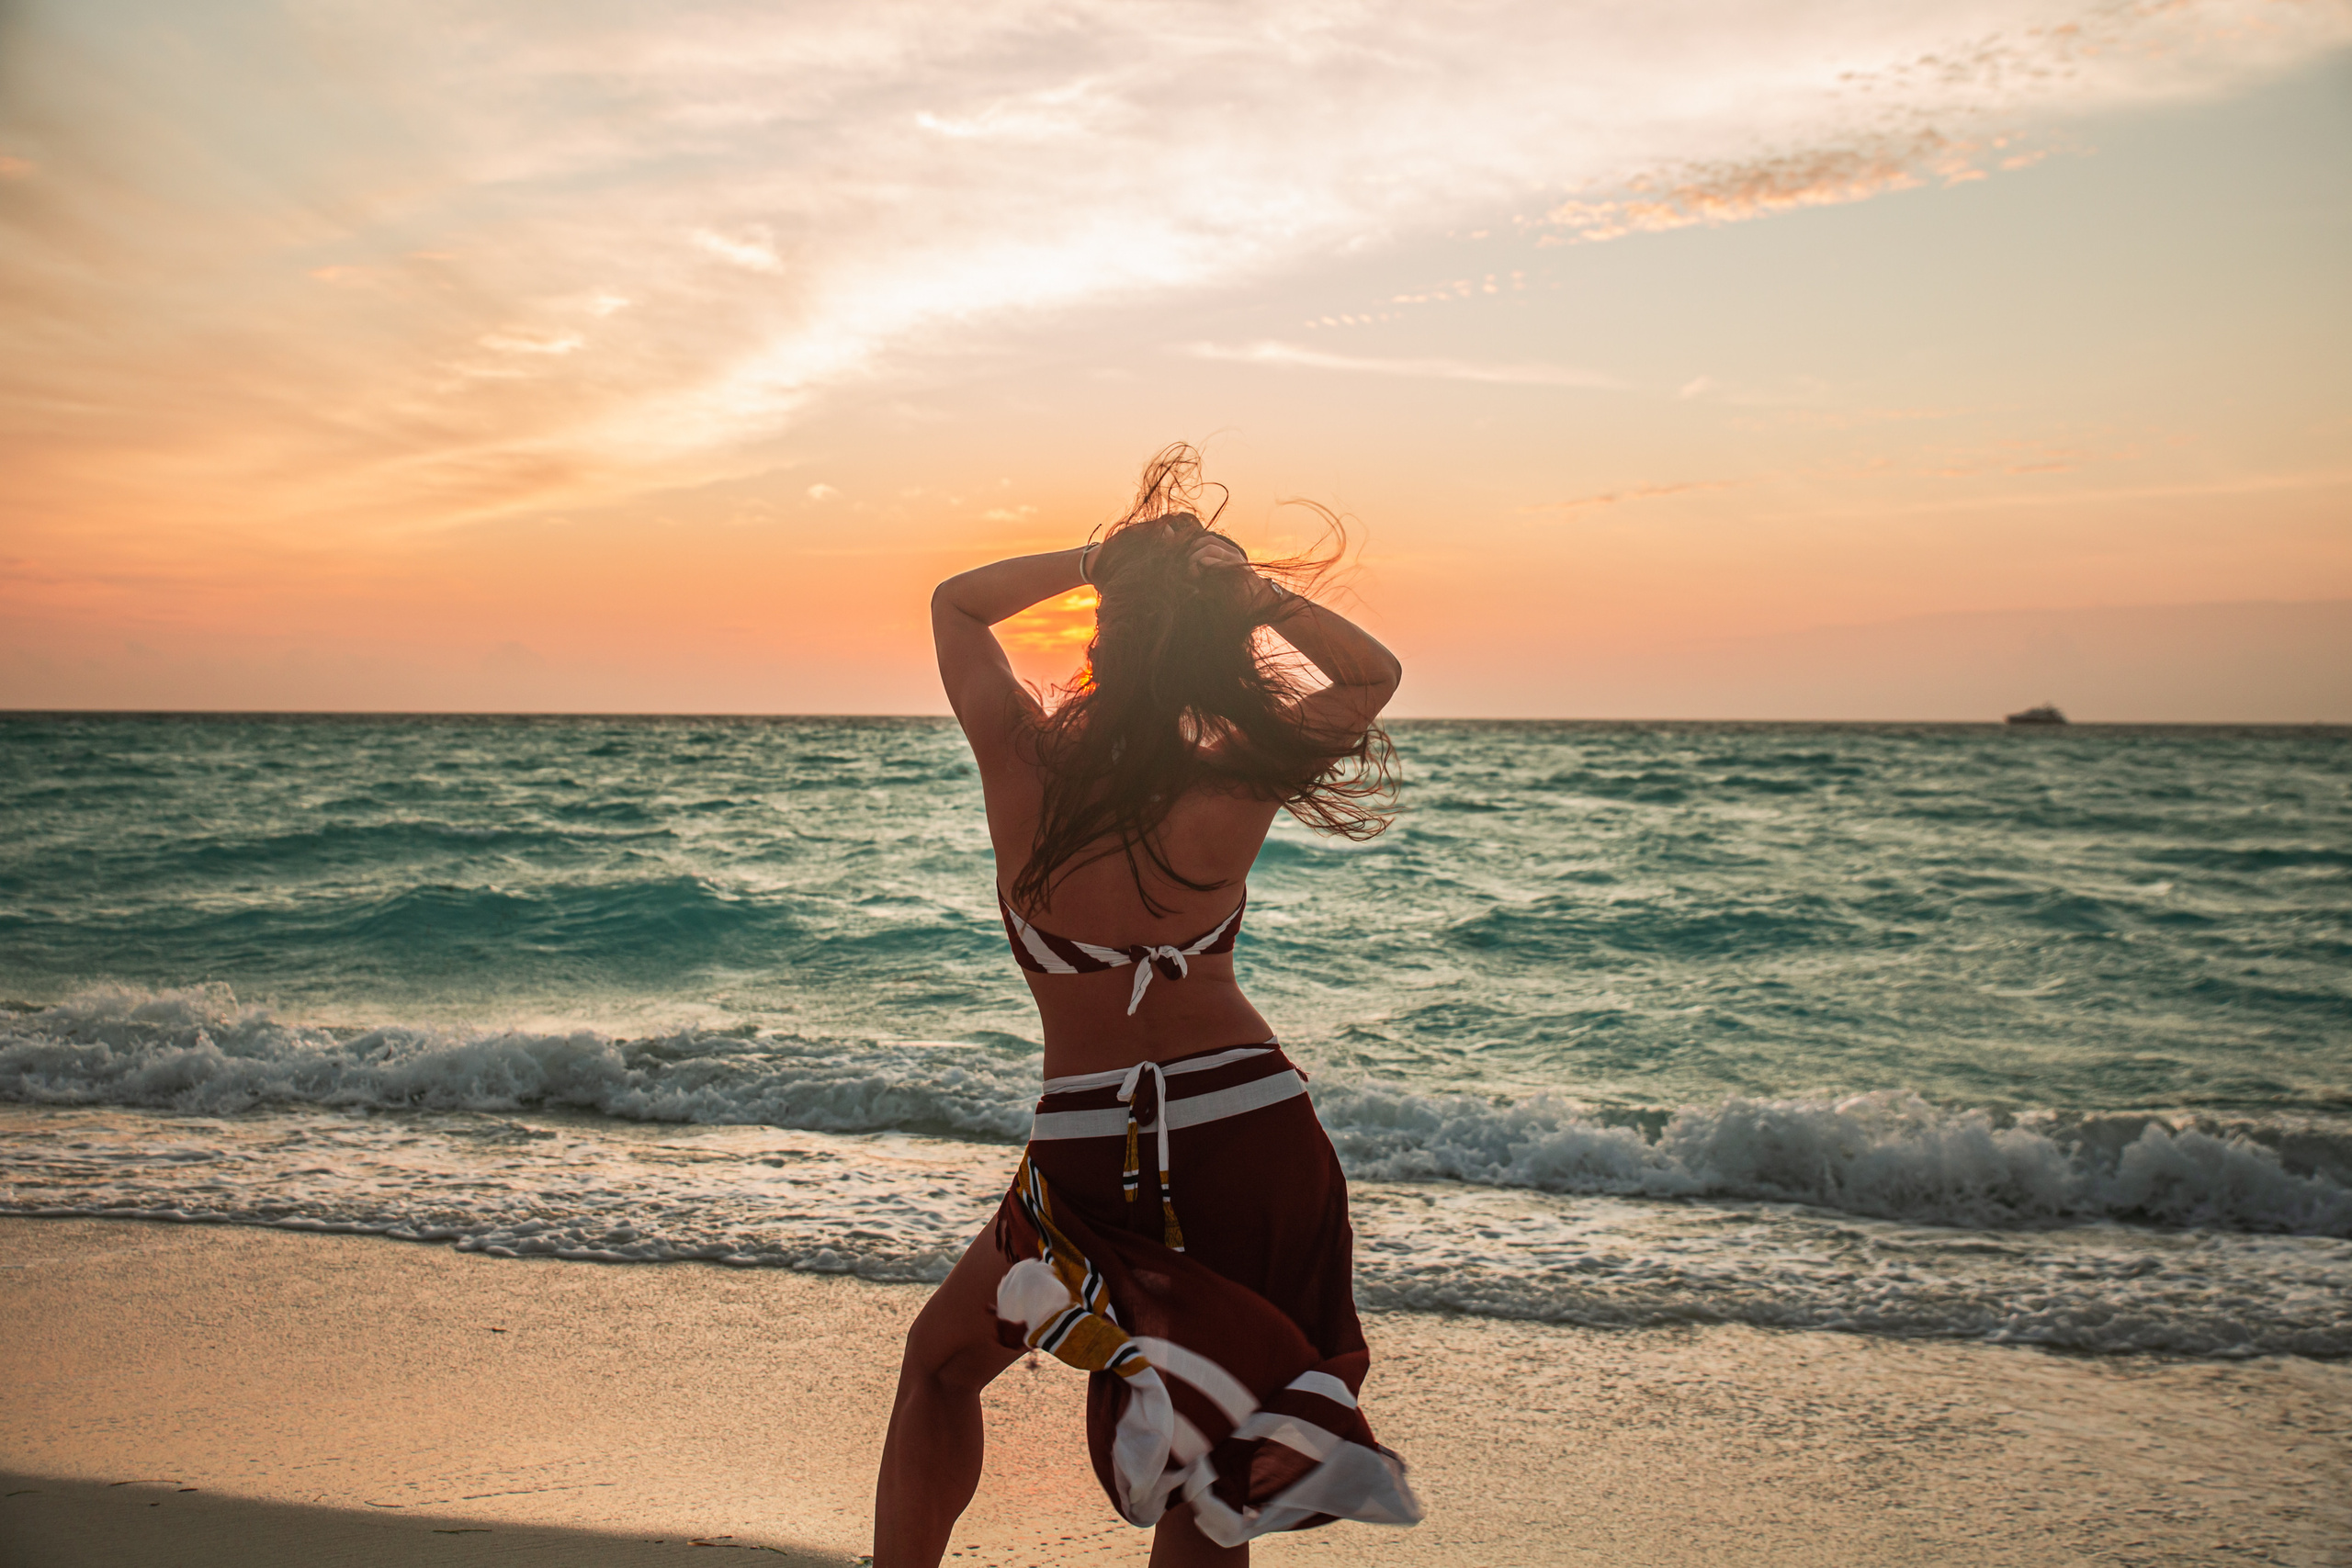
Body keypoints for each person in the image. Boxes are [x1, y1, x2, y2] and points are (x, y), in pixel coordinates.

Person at [871, 446, 1422, 1565]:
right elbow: (1371, 675)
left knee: (942, 1366)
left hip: (1088, 1144)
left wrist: (1101, 562)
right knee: (1214, 1462)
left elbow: (957, 602)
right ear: (1216, 650)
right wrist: (1250, 595)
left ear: (1101, 636)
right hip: (1252, 1133)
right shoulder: (1236, 774)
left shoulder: (1022, 762)